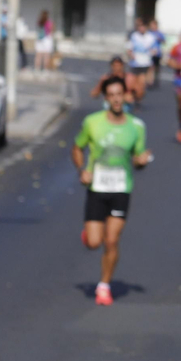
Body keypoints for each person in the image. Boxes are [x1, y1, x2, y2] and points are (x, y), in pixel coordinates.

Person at [73, 75, 150, 306]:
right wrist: (81, 170)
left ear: (125, 96)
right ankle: (88, 237)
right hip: (97, 188)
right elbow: (77, 148)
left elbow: (137, 157)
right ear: (106, 98)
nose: (117, 100)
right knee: (95, 242)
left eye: (120, 95)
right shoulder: (92, 122)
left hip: (121, 189)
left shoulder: (136, 127)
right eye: (112, 96)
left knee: (112, 241)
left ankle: (104, 285)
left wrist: (141, 161)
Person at [127, 17, 159, 103]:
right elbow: (129, 49)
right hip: (135, 63)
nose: (141, 28)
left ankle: (138, 100)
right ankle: (133, 98)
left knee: (141, 84)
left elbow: (155, 50)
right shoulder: (134, 36)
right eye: (140, 26)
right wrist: (131, 54)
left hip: (145, 64)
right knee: (132, 84)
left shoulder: (151, 37)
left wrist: (151, 53)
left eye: (143, 26)